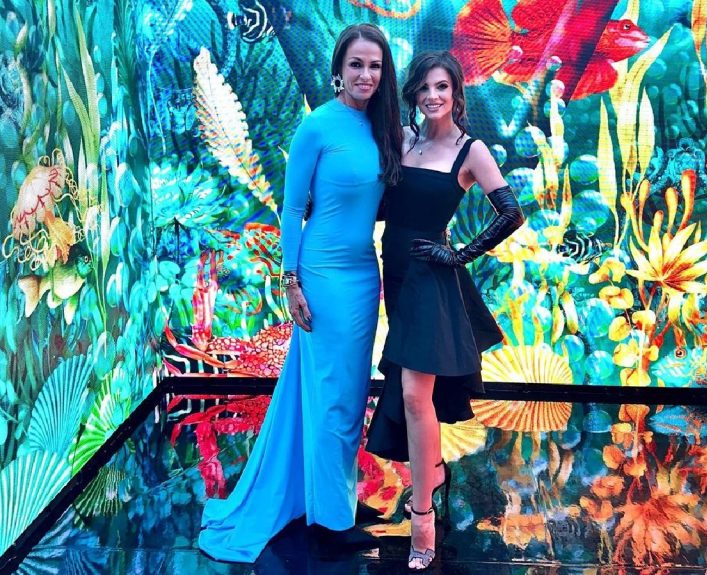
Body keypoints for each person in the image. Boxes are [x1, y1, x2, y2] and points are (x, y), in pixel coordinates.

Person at [198, 23, 402, 563]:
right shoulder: (317, 126)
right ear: (338, 70)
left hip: (363, 275)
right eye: (356, 64)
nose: (365, 74)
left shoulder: (382, 127)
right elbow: (291, 210)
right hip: (322, 274)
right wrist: (290, 282)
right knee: (334, 395)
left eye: (375, 66)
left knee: (348, 393)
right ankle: (331, 522)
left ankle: (332, 500)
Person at [365, 50, 525, 571]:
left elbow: (512, 213)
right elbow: (385, 204)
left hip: (432, 280)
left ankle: (423, 518)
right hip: (396, 273)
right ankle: (432, 469)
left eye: (442, 87)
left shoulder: (470, 150)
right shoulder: (404, 140)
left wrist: (458, 255)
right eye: (424, 88)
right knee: (412, 392)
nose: (433, 96)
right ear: (414, 94)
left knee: (415, 395)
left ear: (456, 93)